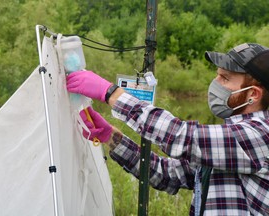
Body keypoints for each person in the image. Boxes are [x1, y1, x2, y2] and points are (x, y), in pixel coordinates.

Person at [66, 43, 269, 215]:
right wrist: (111, 136)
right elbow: (168, 174)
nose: (215, 83)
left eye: (224, 78)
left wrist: (111, 93)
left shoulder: (259, 136)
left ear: (253, 94)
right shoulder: (228, 142)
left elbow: (182, 136)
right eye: (217, 76)